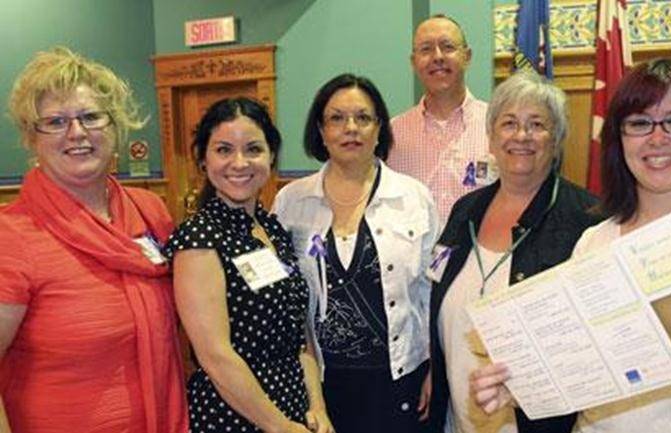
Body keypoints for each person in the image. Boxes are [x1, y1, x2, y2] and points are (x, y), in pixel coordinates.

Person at [471, 57, 671, 433]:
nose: (657, 139)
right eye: (639, 123)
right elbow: (583, 369)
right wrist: (521, 384)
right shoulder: (594, 243)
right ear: (619, 138)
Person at [0, 47, 187, 432]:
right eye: (55, 121)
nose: (77, 133)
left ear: (115, 127)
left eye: (91, 117)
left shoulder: (150, 211)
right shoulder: (12, 236)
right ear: (31, 139)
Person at [428, 71, 602, 433]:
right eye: (508, 123)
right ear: (490, 138)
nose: (521, 136)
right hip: (457, 418)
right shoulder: (465, 211)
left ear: (556, 140)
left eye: (537, 124)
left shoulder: (587, 220)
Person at [272, 73, 439, 433]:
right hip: (321, 383)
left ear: (380, 129)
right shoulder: (291, 202)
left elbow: (431, 290)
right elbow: (284, 298)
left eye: (363, 118)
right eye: (337, 118)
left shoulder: (414, 197)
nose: (351, 128)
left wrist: (433, 367)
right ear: (320, 129)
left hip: (399, 376)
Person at [164, 97, 332, 433]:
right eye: (224, 150)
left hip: (294, 408)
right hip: (235, 415)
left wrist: (318, 407)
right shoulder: (199, 238)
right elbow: (215, 355)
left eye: (253, 149)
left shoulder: (273, 229)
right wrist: (278, 426)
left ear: (271, 157)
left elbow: (298, 337)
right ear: (203, 160)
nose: (239, 163)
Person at [389, 14, 494, 222]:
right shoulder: (392, 134)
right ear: (414, 62)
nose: (437, 57)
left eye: (447, 47)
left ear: (467, 56)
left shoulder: (497, 126)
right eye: (426, 49)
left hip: (477, 252)